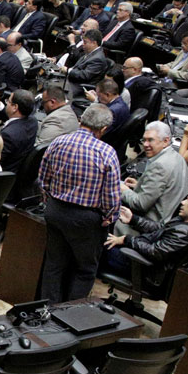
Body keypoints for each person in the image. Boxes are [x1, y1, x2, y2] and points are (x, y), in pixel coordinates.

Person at [37, 103, 122, 302]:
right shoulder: (106, 152)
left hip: (56, 211)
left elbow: (43, 180)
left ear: (81, 120)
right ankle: (70, 316)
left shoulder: (59, 142)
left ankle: (46, 314)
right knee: (84, 270)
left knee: (54, 265)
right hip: (87, 219)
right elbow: (111, 197)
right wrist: (109, 218)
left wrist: (50, 202)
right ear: (103, 129)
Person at [104, 189, 188, 277]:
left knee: (93, 245)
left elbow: (155, 252)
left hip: (139, 265)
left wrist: (126, 239)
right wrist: (133, 219)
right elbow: (159, 228)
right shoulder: (186, 221)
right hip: (139, 252)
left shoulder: (184, 233)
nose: (183, 202)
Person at [121, 121, 188, 228]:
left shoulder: (159, 165)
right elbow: (164, 188)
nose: (145, 144)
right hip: (170, 215)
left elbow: (140, 205)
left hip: (153, 223)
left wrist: (122, 189)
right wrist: (139, 185)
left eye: (150, 140)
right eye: (144, 140)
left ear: (166, 141)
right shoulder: (177, 157)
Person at [0, 89, 38, 169]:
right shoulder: (33, 122)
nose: (7, 104)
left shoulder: (8, 135)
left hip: (3, 173)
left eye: (8, 101)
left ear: (15, 107)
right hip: (18, 168)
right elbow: (13, 118)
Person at [35, 83, 79, 148]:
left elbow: (38, 147)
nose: (43, 106)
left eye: (43, 103)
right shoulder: (69, 112)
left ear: (52, 102)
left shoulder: (55, 120)